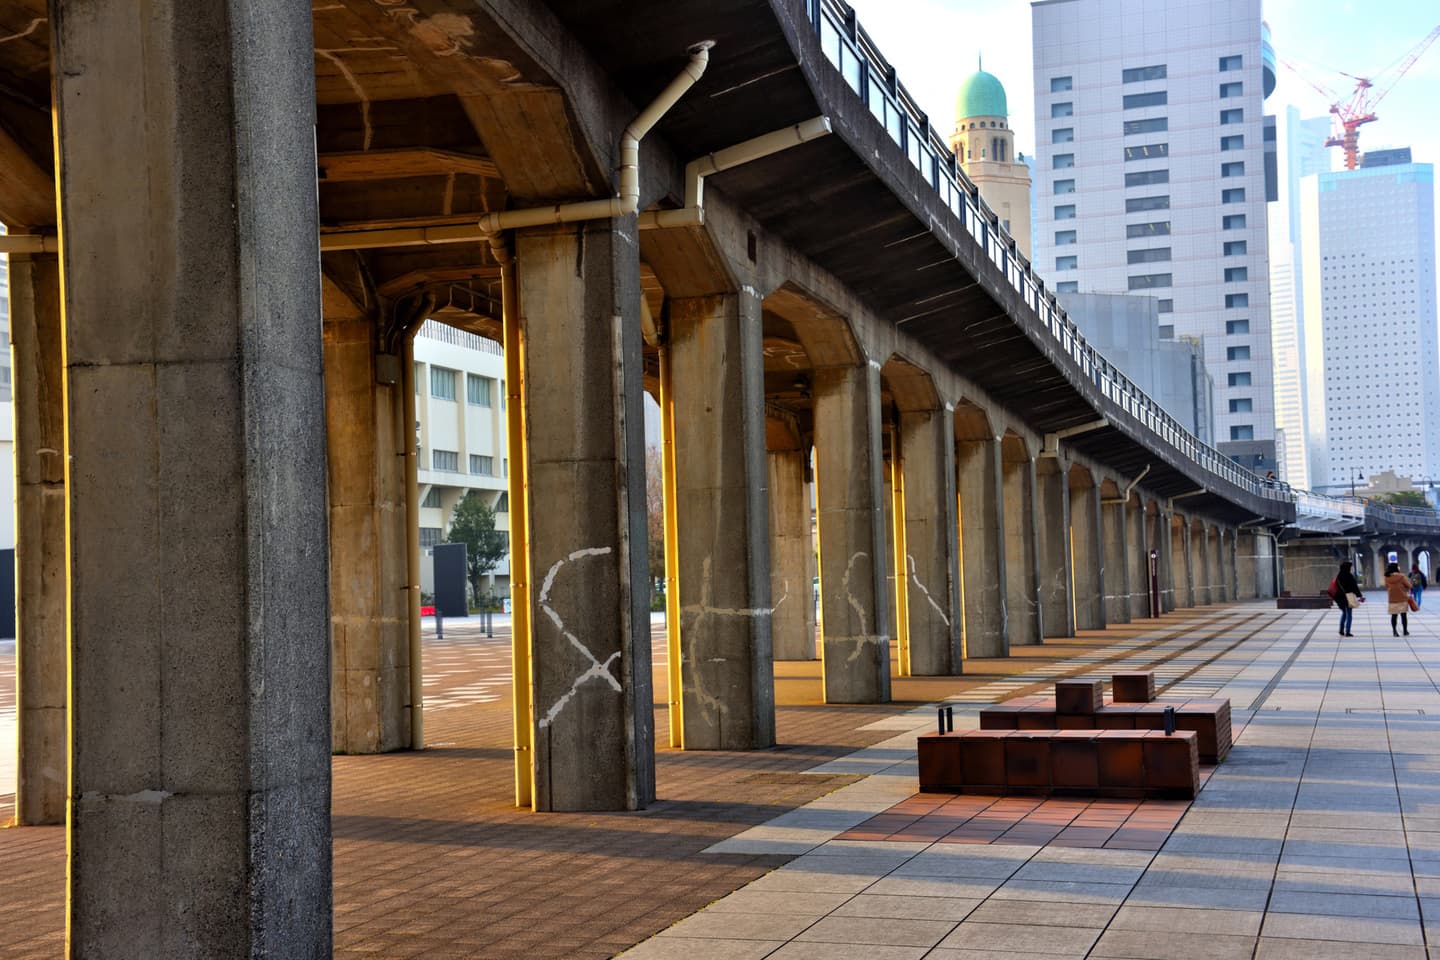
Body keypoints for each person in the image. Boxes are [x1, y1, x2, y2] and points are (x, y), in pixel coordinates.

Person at [1334, 560, 1362, 637]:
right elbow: (1354, 587)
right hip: (1348, 596)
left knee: (1344, 613)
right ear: (1348, 567)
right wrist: (1359, 595)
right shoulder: (1349, 576)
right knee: (1349, 614)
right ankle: (1347, 632)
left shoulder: (1338, 576)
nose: (1352, 568)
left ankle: (1341, 630)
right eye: (1351, 567)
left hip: (1340, 597)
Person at [1385, 562, 1413, 636]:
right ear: (1396, 568)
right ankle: (1405, 631)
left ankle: (1394, 631)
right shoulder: (1402, 576)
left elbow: (1387, 586)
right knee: (1403, 616)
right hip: (1402, 598)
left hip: (1392, 599)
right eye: (1398, 566)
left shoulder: (1387, 577)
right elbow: (1409, 586)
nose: (1399, 568)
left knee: (1394, 616)